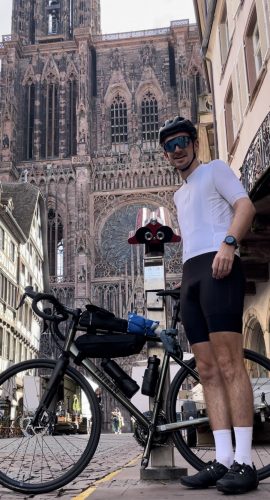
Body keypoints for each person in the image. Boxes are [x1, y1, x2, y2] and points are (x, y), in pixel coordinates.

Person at [159, 116, 258, 494]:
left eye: (182, 141)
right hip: (191, 276)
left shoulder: (216, 170)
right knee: (206, 370)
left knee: (231, 364)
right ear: (166, 154)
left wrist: (229, 245)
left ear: (194, 143)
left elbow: (245, 207)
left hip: (219, 268)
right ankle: (223, 459)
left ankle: (246, 462)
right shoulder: (179, 196)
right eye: (170, 145)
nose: (177, 149)